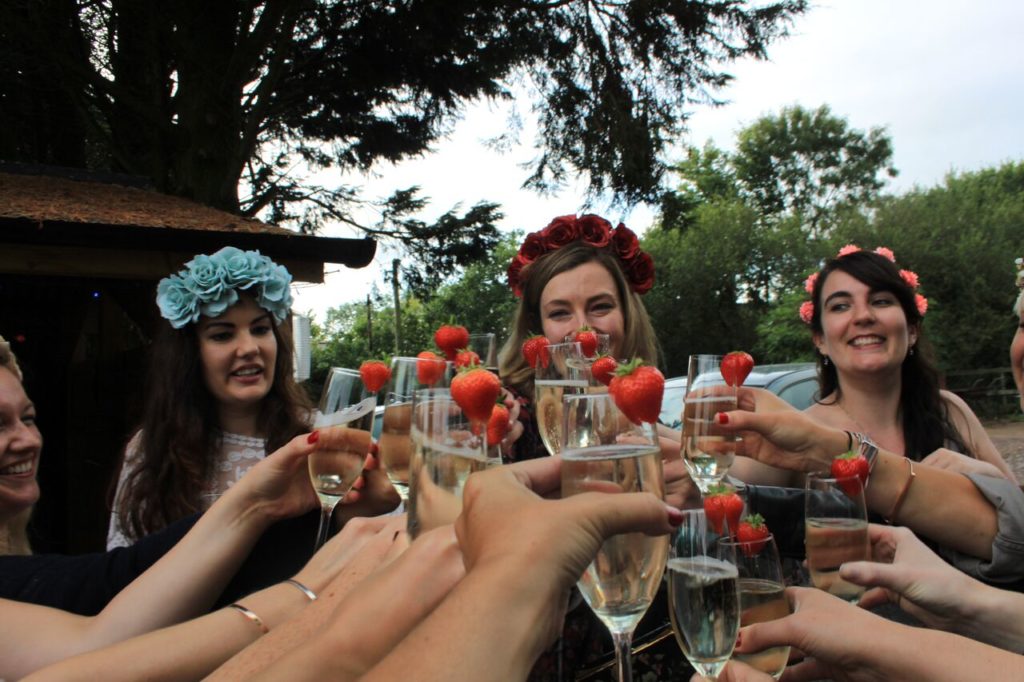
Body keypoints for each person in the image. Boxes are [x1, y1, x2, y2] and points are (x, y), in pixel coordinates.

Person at [108, 246, 398, 547]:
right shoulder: (152, 448)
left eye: (260, 329)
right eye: (223, 334)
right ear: (190, 354)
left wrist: (368, 504)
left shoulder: (317, 440)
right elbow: (122, 574)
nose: (249, 348)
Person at [739, 245, 1015, 486]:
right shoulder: (799, 435)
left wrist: (986, 477)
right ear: (820, 339)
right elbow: (726, 492)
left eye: (881, 301)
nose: (863, 316)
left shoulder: (950, 412)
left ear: (912, 330)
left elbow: (1017, 518)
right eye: (840, 306)